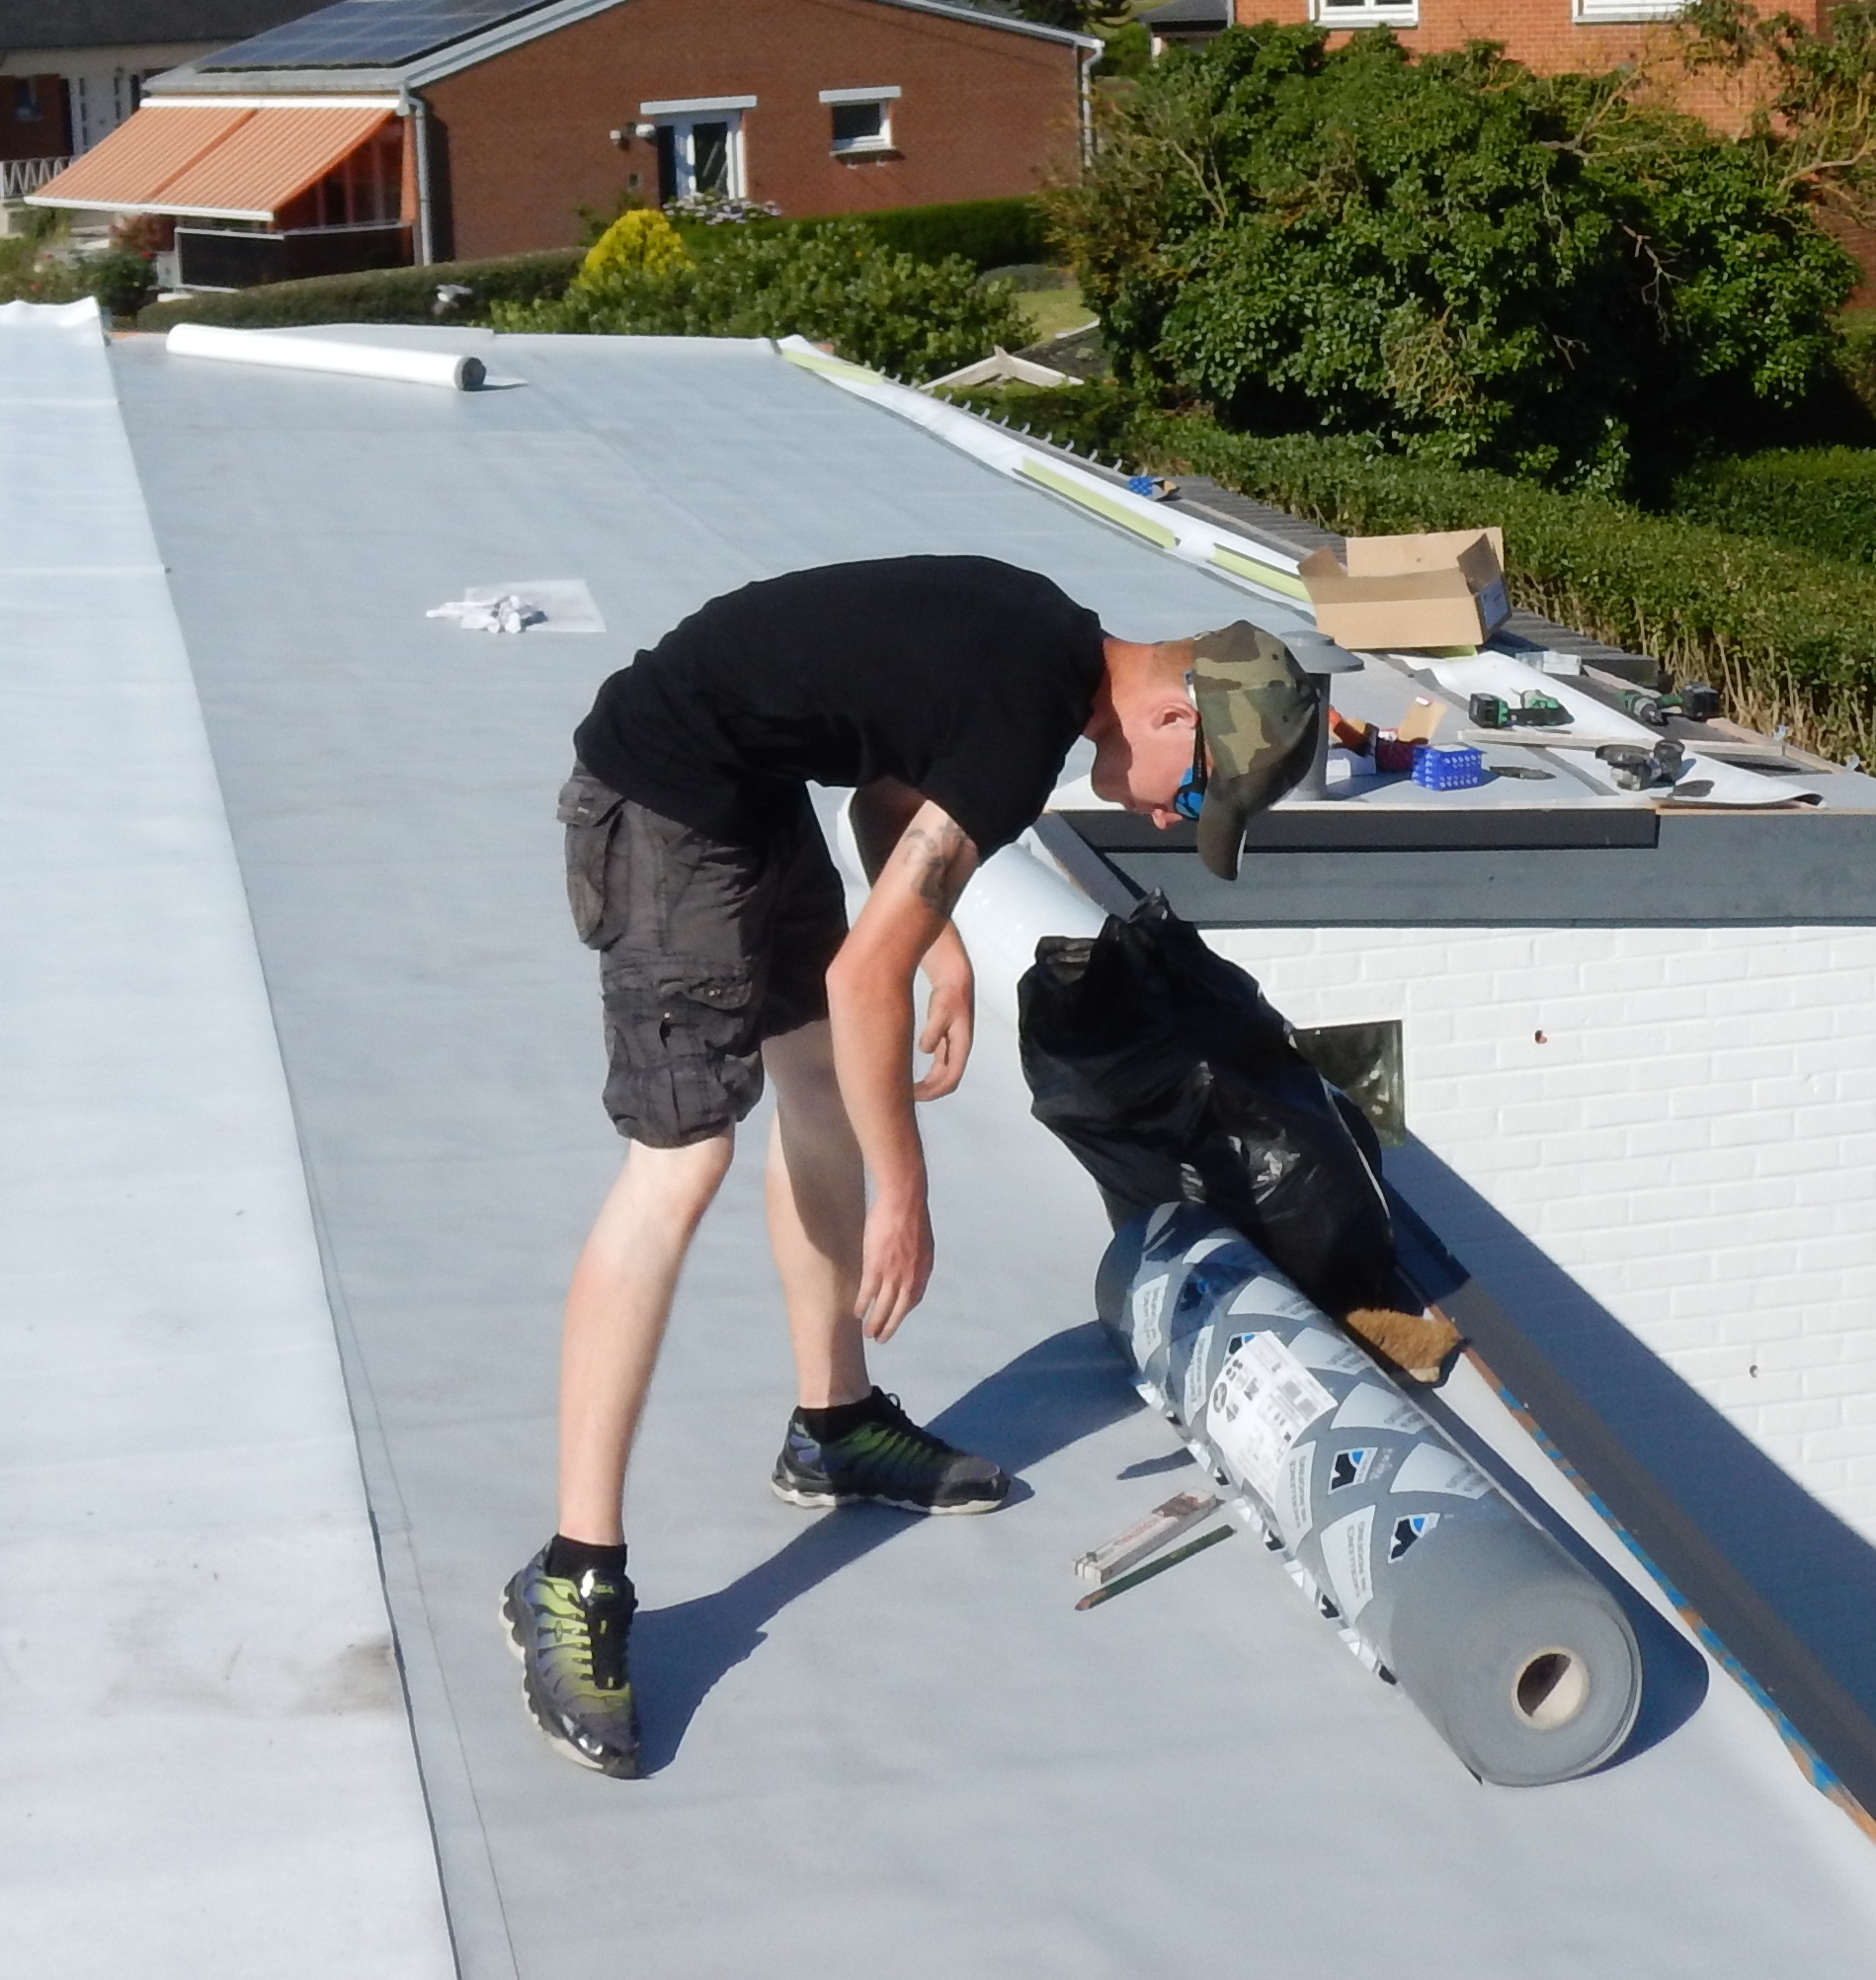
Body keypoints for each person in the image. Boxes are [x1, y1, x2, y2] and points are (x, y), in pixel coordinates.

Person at [502, 556, 1328, 1777]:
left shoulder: (1046, 646)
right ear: (1170, 713)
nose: (1169, 818)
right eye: (1194, 792)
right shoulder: (1024, 718)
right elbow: (861, 977)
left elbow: (886, 802)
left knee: (816, 1082)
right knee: (682, 1163)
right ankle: (571, 1571)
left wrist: (938, 946)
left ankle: (832, 1425)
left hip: (751, 791)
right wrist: (907, 1194)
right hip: (666, 800)